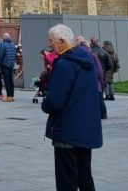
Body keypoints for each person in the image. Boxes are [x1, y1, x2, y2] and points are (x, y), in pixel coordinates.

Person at [40, 24, 102, 191]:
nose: (50, 44)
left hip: (67, 129)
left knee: (66, 180)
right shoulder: (87, 60)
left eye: (51, 41)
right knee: (84, 176)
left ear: (62, 41)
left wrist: (45, 104)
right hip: (86, 129)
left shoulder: (65, 64)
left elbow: (55, 101)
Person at [0, 33, 17, 102]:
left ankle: (9, 96)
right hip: (11, 64)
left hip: (4, 64)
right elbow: (14, 55)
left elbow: (0, 56)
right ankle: (12, 96)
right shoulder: (12, 44)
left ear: (4, 38)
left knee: (7, 81)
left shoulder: (2, 45)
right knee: (11, 80)